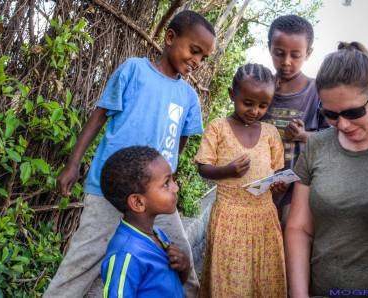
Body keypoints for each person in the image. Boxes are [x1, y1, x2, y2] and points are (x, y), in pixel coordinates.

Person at [44, 10, 215, 298]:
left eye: (204, 58)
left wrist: (168, 182)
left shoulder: (188, 98)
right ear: (170, 38)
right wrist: (73, 164)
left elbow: (178, 145)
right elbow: (98, 118)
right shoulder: (134, 71)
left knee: (181, 258)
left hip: (156, 197)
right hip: (108, 190)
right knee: (83, 262)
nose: (197, 62)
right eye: (194, 51)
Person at [285, 42, 368, 298]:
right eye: (331, 115)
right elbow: (299, 228)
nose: (343, 125)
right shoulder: (315, 146)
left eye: (354, 112)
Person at [196, 63, 287, 297]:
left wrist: (278, 184)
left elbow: (277, 173)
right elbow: (203, 168)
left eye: (263, 105)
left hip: (264, 217)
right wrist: (227, 170)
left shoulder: (270, 133)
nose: (255, 110)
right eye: (248, 103)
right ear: (232, 95)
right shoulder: (218, 127)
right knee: (229, 281)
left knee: (262, 279)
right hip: (229, 217)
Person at [263, 15, 328, 226]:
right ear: (269, 47)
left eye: (295, 55)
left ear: (308, 53)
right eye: (279, 53)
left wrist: (303, 136)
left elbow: (334, 139)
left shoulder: (318, 92)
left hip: (299, 193)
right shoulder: (258, 89)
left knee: (290, 251)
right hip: (261, 190)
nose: (286, 62)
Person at [100, 146, 189, 298]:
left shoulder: (158, 235)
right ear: (138, 202)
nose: (176, 188)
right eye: (166, 183)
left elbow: (170, 286)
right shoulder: (126, 254)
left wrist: (184, 268)